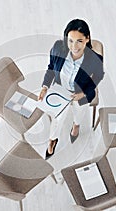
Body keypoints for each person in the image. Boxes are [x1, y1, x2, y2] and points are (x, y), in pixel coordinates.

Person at [38, 19, 104, 159]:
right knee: (58, 118)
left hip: (80, 93)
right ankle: (53, 139)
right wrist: (45, 87)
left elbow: (98, 76)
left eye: (79, 41)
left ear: (87, 39)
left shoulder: (94, 59)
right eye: (70, 41)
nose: (74, 46)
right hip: (61, 90)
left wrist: (83, 93)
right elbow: (50, 68)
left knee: (78, 112)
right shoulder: (57, 48)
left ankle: (76, 125)